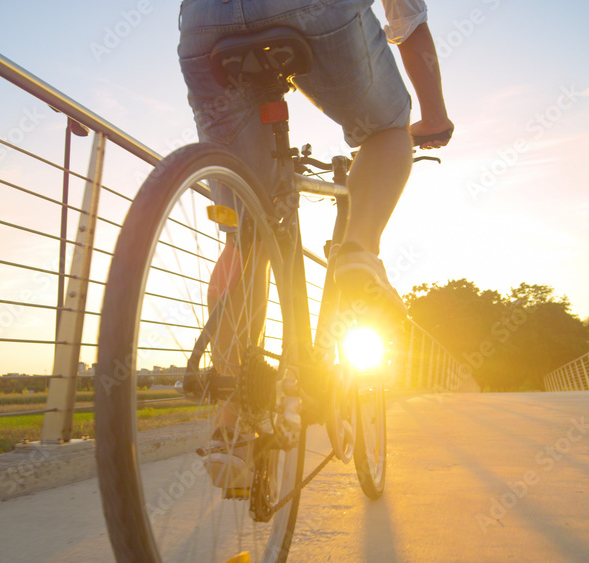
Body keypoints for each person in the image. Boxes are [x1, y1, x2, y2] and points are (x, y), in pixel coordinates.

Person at [178, 0, 452, 490]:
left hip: (206, 23)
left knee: (248, 236)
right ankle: (358, 251)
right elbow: (407, 22)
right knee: (390, 130)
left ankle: (233, 417)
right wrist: (434, 116)